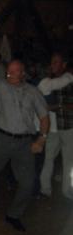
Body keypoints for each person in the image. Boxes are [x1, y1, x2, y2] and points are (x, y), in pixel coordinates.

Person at [0, 40, 50, 232]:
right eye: (8, 71)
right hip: (1, 138)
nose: (9, 74)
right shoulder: (1, 86)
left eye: (14, 71)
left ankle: (14, 214)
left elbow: (44, 117)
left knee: (28, 182)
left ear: (23, 73)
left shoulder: (33, 92)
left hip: (24, 143)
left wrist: (41, 138)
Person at [38, 52, 73, 198]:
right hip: (52, 128)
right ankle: (45, 190)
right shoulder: (50, 82)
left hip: (68, 126)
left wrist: (57, 106)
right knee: (48, 159)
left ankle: (67, 191)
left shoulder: (69, 81)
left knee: (68, 161)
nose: (52, 65)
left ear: (64, 65)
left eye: (56, 62)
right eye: (52, 62)